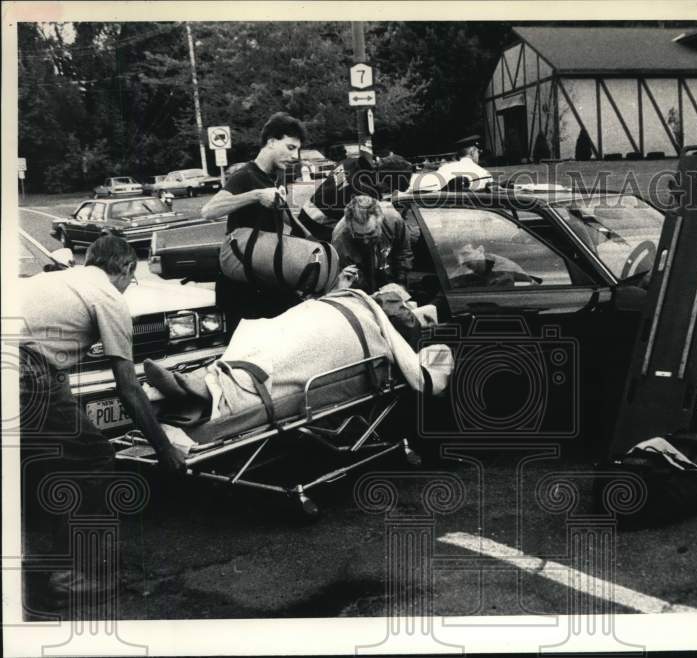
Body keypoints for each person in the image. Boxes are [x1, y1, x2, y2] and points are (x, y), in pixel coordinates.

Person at [18, 235, 185, 603]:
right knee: (93, 456)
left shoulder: (57, 278)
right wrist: (163, 447)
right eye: (132, 278)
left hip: (23, 362)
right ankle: (77, 576)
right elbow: (128, 387)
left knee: (33, 461)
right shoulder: (109, 297)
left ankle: (36, 562)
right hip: (26, 371)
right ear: (126, 268)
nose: (129, 286)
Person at [142, 287, 453, 425]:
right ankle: (204, 383)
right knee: (266, 344)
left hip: (353, 332)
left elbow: (418, 372)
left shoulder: (400, 324)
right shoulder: (380, 303)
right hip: (333, 313)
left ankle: (205, 388)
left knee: (278, 364)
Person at [202, 112, 308, 329]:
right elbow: (209, 211)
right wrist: (256, 195)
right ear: (271, 142)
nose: (295, 156)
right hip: (241, 284)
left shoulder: (276, 177)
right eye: (290, 147)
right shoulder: (245, 176)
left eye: (297, 149)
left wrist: (315, 242)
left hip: (265, 276)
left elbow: (286, 216)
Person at [298, 149, 414, 241]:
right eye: (391, 188)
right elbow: (366, 227)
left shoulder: (350, 163)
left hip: (303, 217)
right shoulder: (365, 195)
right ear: (385, 181)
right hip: (317, 231)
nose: (388, 191)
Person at [331, 195, 413, 293]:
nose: (365, 241)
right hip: (362, 283)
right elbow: (347, 278)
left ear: (380, 220)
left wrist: (401, 283)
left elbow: (403, 252)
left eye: (371, 234)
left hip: (388, 271)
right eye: (359, 235)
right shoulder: (340, 239)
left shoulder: (394, 220)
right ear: (350, 227)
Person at [409, 135, 494, 192]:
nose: (478, 156)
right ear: (472, 152)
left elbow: (419, 185)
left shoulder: (446, 169)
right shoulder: (485, 174)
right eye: (478, 152)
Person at [447, 243, 535, 288]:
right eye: (457, 257)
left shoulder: (501, 270)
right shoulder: (467, 266)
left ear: (480, 250)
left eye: (465, 254)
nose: (460, 261)